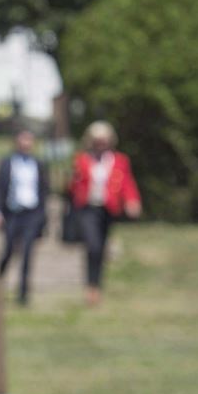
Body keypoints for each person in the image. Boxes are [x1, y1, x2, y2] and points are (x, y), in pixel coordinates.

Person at [68, 120, 141, 306]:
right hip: (87, 208)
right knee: (92, 245)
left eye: (104, 140)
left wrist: (132, 201)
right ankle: (90, 286)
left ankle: (97, 286)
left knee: (100, 248)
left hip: (107, 209)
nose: (101, 143)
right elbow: (72, 186)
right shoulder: (82, 159)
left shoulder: (119, 160)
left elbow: (127, 183)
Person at [0, 129, 49, 305]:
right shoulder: (7, 162)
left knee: (28, 253)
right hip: (12, 213)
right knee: (8, 250)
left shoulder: (38, 163)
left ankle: (23, 294)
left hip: (32, 213)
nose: (26, 143)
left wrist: (44, 216)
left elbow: (45, 190)